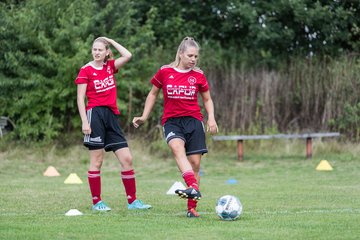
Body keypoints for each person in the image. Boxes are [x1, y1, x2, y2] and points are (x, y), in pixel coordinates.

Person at [132, 37, 218, 218]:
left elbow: (207, 99)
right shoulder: (165, 71)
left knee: (195, 164)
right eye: (190, 55)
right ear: (180, 54)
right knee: (177, 149)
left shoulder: (199, 75)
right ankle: (193, 187)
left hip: (194, 121)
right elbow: (153, 94)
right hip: (172, 122)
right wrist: (144, 116)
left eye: (196, 56)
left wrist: (211, 119)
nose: (193, 59)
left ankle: (191, 208)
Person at [75, 37, 151, 212]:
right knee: (97, 160)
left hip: (111, 116)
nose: (96, 52)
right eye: (94, 49)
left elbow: (128, 55)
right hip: (94, 115)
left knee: (127, 158)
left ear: (107, 52)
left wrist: (109, 40)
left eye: (100, 49)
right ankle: (97, 203)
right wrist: (84, 121)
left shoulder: (110, 67)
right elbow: (80, 98)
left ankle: (132, 202)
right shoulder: (85, 70)